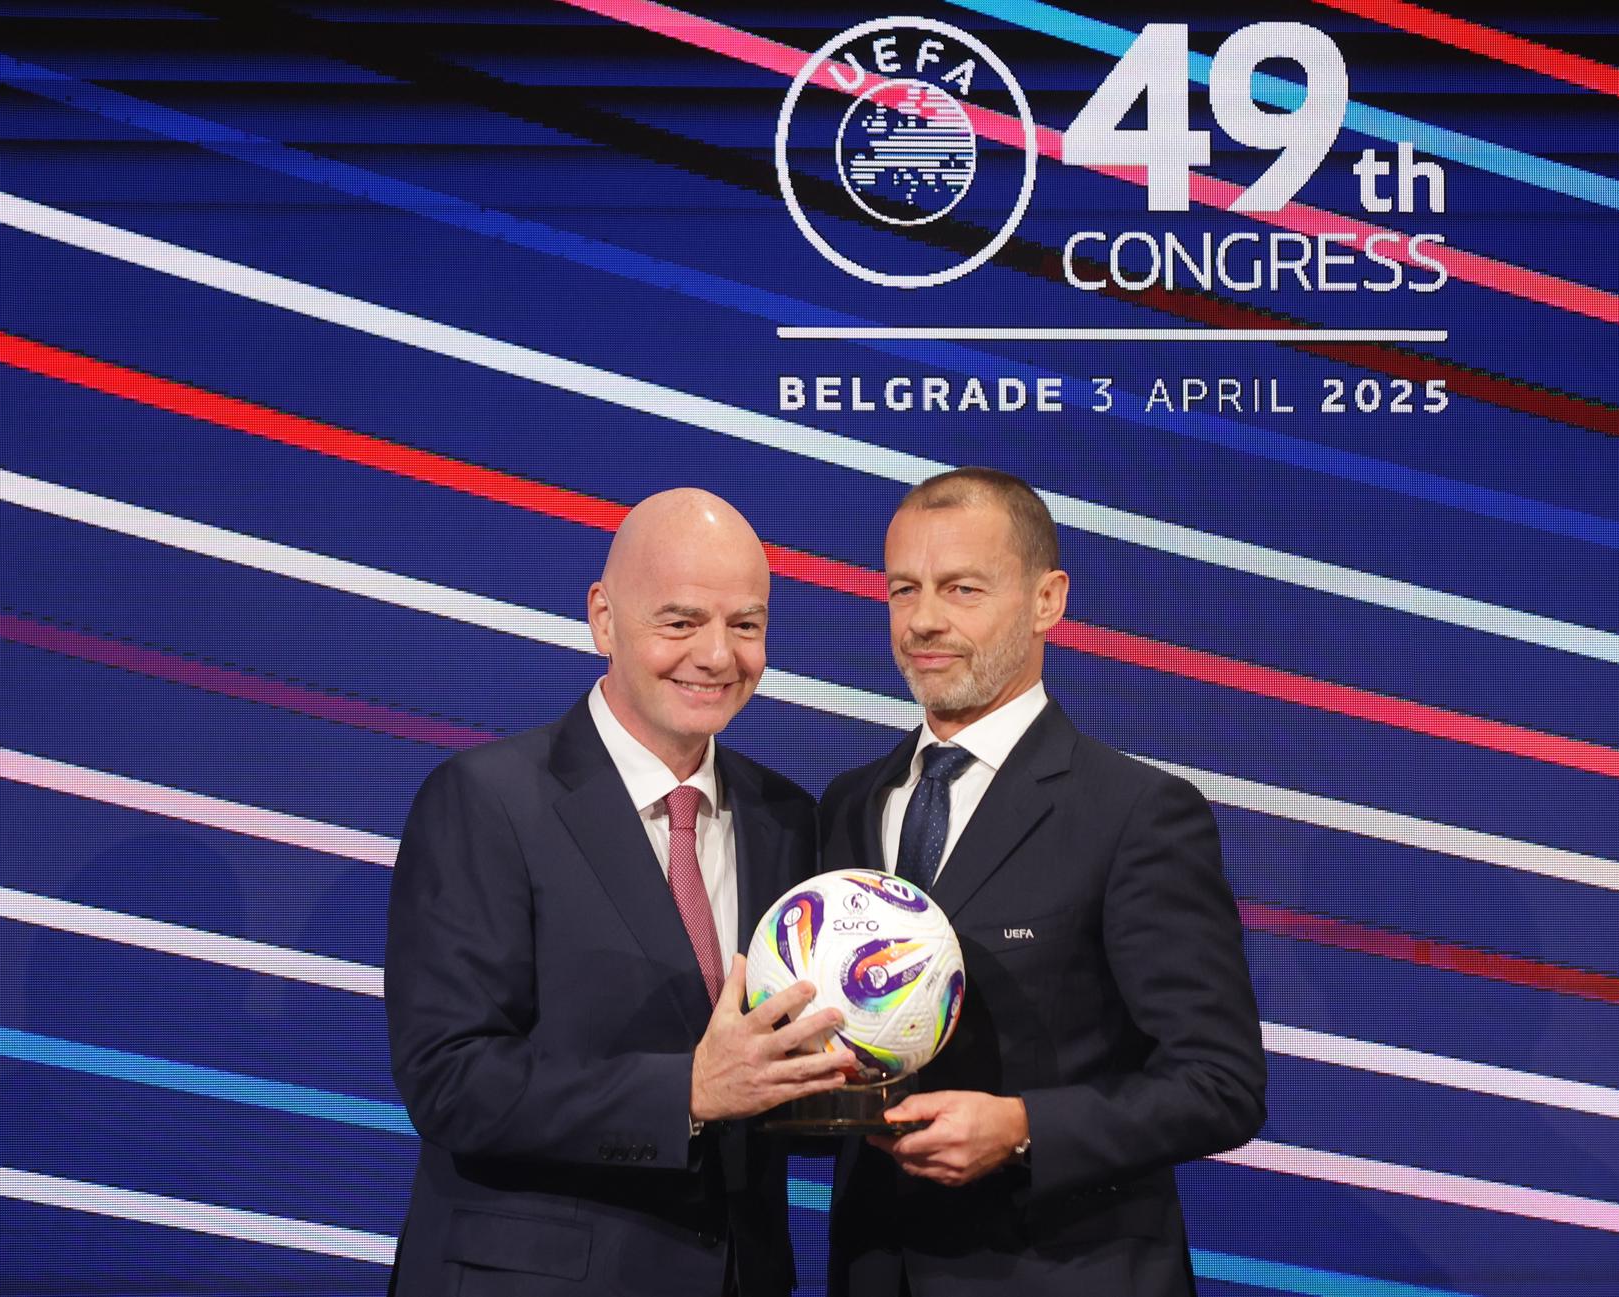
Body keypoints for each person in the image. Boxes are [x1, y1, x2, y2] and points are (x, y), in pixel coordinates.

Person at [385, 489, 855, 1296]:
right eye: (680, 621)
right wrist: (688, 1092)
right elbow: (451, 1078)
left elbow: (771, 1091)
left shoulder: (789, 819)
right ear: (603, 617)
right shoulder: (485, 799)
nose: (716, 655)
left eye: (745, 624)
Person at [819, 468, 1266, 1296]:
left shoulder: (1136, 812)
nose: (924, 620)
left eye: (962, 588)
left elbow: (1220, 1084)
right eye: (902, 589)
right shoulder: (852, 804)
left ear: (1047, 599)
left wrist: (1024, 1127)